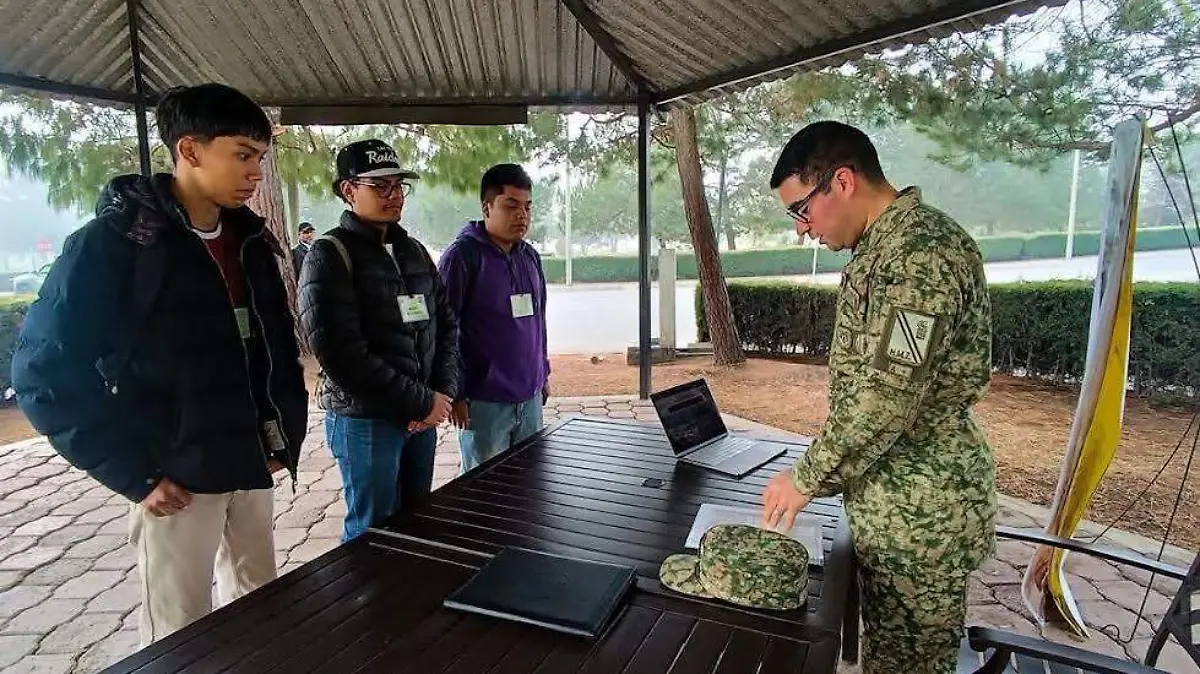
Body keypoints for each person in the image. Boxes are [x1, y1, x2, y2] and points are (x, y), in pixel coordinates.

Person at [10, 83, 309, 647]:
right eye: (242, 154)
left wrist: (279, 437)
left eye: (261, 159)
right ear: (189, 150)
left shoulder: (250, 240)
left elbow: (274, 353)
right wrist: (132, 473)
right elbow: (43, 374)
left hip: (250, 463)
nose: (254, 173)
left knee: (262, 610)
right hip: (174, 480)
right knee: (179, 631)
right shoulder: (116, 245)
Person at [758, 121, 996, 674]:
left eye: (801, 210)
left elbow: (889, 396)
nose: (801, 229)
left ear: (841, 182)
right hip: (889, 502)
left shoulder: (922, 256)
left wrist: (806, 476)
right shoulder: (880, 250)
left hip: (920, 517)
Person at [298, 139, 459, 542]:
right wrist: (421, 401)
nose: (394, 196)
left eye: (399, 185)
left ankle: (409, 603)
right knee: (372, 532)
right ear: (348, 190)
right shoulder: (329, 255)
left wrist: (440, 394)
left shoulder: (414, 251)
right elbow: (340, 354)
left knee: (417, 523)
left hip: (420, 417)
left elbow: (447, 327)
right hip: (366, 421)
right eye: (380, 186)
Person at [437, 164, 550, 472]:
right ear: (487, 208)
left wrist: (543, 372)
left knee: (529, 489)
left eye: (527, 207)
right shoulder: (462, 257)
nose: (522, 215)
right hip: (483, 402)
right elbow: (445, 329)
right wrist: (455, 392)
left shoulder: (529, 256)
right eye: (511, 205)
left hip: (529, 398)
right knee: (484, 493)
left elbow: (538, 322)